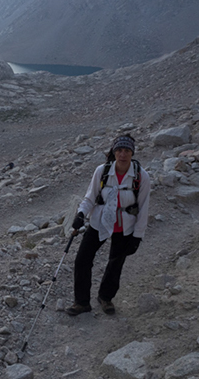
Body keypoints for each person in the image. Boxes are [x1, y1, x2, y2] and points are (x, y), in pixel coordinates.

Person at [66, 134, 150, 316]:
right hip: (99, 222)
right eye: (119, 150)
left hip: (125, 226)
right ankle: (81, 302)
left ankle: (106, 297)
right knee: (82, 260)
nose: (122, 154)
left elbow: (143, 208)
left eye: (127, 150)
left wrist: (137, 236)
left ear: (132, 153)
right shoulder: (102, 171)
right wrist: (81, 214)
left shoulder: (141, 176)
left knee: (115, 263)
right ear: (114, 152)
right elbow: (90, 197)